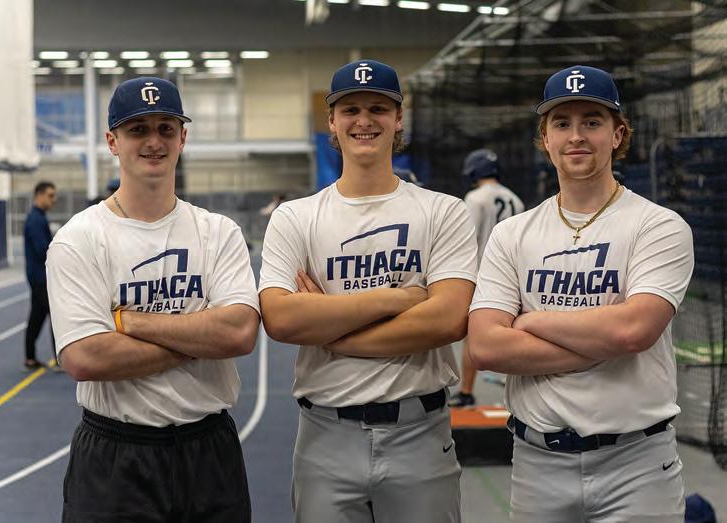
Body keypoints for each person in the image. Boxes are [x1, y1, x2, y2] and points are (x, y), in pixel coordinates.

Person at [467, 65, 694, 522]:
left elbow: (633, 331)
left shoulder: (657, 226)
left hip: (637, 466)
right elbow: (486, 346)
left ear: (617, 134)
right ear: (545, 138)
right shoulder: (513, 234)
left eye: (592, 121)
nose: (576, 136)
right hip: (537, 464)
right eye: (562, 123)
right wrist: (600, 339)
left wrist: (531, 321)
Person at [259, 59, 477, 523]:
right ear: (331, 121)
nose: (364, 121)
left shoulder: (444, 212)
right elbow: (281, 319)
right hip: (325, 435)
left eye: (378, 108)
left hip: (420, 432)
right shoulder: (295, 217)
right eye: (351, 110)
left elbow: (448, 319)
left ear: (398, 119)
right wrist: (396, 299)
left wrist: (332, 328)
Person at [47, 76, 259, 522]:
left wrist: (130, 322)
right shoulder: (79, 239)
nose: (154, 141)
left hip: (209, 452)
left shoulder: (218, 233)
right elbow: (85, 357)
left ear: (183, 138)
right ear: (113, 141)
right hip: (116, 457)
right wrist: (200, 337)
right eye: (138, 129)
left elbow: (239, 333)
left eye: (166, 128)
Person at [449, 149, 524, 407]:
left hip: (482, 275)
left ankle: (466, 391)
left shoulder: (475, 198)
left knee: (473, 336)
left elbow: (466, 241)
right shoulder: (515, 199)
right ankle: (513, 394)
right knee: (512, 334)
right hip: (512, 276)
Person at [24, 181, 58, 369]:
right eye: (50, 195)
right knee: (57, 315)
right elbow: (42, 250)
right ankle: (61, 359)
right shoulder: (36, 220)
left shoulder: (38, 217)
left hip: (37, 277)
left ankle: (30, 357)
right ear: (39, 195)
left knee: (37, 316)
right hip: (40, 278)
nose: (54, 199)